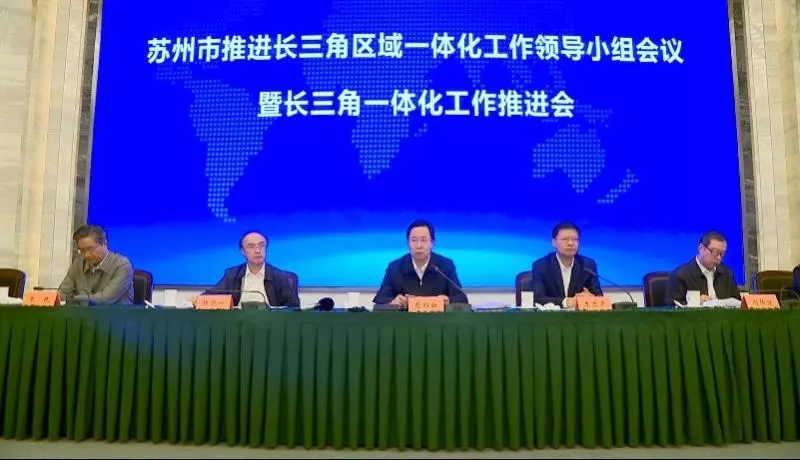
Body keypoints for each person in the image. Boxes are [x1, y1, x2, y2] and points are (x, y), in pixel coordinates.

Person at [373, 219, 468, 307]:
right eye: (414, 240)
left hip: (438, 318)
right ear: (408, 243)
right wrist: (392, 302)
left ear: (432, 243)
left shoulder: (445, 265)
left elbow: (461, 298)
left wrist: (448, 300)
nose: (419, 246)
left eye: (423, 240)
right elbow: (380, 299)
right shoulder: (395, 267)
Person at [206, 231, 300, 307]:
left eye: (261, 245)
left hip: (270, 322)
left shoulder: (281, 277)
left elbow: (293, 308)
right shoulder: (232, 275)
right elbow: (210, 296)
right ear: (242, 251)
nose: (258, 251)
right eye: (251, 246)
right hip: (238, 322)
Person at [531, 221, 603, 307]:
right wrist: (567, 302)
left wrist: (591, 298)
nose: (570, 243)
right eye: (565, 239)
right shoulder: (541, 266)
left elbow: (599, 297)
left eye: (575, 239)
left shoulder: (588, 265)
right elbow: (538, 299)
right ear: (553, 242)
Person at [58, 224, 134, 305]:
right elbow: (63, 292)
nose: (86, 255)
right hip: (81, 312)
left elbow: (104, 300)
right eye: (82, 250)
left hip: (113, 312)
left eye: (90, 249)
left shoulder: (122, 265)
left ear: (104, 243)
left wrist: (72, 299)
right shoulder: (78, 263)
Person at [664, 230, 741, 306]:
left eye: (722, 254)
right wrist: (695, 302)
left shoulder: (727, 273)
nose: (718, 258)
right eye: (715, 252)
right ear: (701, 248)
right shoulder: (680, 275)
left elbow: (737, 301)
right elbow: (671, 307)